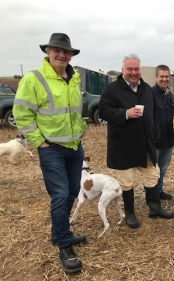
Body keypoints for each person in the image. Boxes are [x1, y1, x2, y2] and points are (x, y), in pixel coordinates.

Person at [13, 33, 87, 273]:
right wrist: (39, 143)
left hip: (74, 148)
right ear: (48, 51)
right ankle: (64, 245)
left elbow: (74, 112)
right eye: (57, 50)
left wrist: (81, 132)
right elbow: (22, 115)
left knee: (73, 192)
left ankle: (59, 233)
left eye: (67, 51)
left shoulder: (73, 78)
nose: (62, 54)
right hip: (51, 149)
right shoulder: (33, 79)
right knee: (61, 195)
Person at [98, 54, 174, 230]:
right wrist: (125, 113)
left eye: (136, 69)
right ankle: (130, 214)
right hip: (123, 146)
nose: (133, 72)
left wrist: (154, 136)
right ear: (122, 70)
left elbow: (153, 114)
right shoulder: (112, 89)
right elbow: (103, 111)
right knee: (127, 181)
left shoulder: (146, 89)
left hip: (145, 144)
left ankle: (155, 208)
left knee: (153, 174)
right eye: (129, 69)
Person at [152, 64, 174, 200]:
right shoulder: (149, 94)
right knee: (153, 170)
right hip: (155, 140)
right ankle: (151, 193)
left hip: (168, 139)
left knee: (163, 168)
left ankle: (159, 190)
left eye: (167, 76)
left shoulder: (170, 95)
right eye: (162, 76)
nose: (164, 79)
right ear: (156, 77)